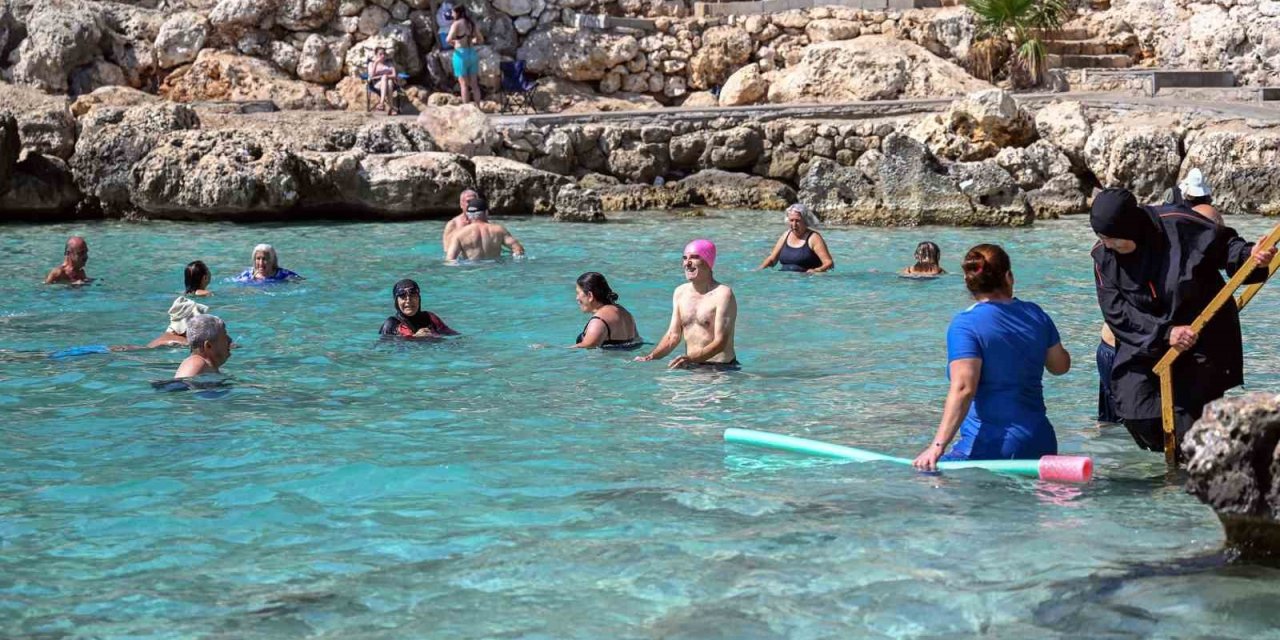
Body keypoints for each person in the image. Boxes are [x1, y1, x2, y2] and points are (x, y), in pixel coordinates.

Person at [1090, 187, 1275, 452]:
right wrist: (1166, 333)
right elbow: (1117, 313)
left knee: (1187, 429)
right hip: (1146, 340)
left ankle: (1202, 463)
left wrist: (1251, 257)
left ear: (1132, 228)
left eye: (1113, 239)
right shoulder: (1103, 257)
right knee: (1135, 411)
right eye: (1102, 238)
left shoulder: (1179, 223)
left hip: (1200, 338)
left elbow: (1226, 248)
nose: (1108, 245)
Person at [912, 244, 1070, 470]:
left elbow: (964, 388)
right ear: (1009, 277)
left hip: (991, 448)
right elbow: (1060, 366)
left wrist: (937, 446)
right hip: (1040, 442)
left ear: (968, 282)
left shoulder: (965, 324)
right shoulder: (1036, 313)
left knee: (924, 476)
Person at [636, 239, 739, 369]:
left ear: (708, 262)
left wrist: (690, 359)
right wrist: (651, 357)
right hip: (692, 367)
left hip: (721, 369)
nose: (687, 263)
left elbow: (720, 342)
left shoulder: (723, 294)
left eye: (694, 257)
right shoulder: (680, 292)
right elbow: (673, 336)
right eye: (685, 258)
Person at [756, 203, 834, 273]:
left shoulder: (814, 238)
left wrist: (817, 270)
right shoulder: (786, 235)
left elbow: (829, 263)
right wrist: (758, 270)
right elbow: (772, 259)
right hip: (784, 279)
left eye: (797, 221)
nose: (794, 224)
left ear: (805, 221)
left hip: (805, 280)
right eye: (791, 220)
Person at [573, 272, 642, 349]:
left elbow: (583, 348)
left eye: (578, 293)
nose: (577, 298)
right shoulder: (625, 313)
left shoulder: (598, 321)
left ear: (590, 295)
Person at [445, 197, 526, 261]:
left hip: (472, 270)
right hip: (495, 269)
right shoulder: (499, 230)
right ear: (486, 212)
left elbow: (450, 260)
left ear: (468, 215)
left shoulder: (459, 234)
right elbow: (519, 249)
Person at [379, 279, 459, 338]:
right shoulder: (391, 325)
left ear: (419, 298)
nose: (408, 300)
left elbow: (453, 335)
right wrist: (416, 338)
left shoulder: (430, 318)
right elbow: (387, 348)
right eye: (402, 296)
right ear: (396, 301)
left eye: (413, 295)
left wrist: (434, 335)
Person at [174, 314, 232, 378]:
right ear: (208, 345)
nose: (230, 340)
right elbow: (180, 383)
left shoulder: (207, 367)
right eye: (224, 337)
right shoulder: (196, 363)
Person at [447, 5, 483, 104]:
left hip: (461, 54)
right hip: (472, 53)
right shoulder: (471, 24)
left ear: (457, 13)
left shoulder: (456, 24)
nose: (452, 14)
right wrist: (472, 41)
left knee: (464, 85)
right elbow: (480, 39)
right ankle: (478, 107)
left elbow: (448, 39)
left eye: (453, 12)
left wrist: (455, 43)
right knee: (474, 84)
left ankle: (466, 108)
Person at [234, 244, 302, 283]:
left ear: (272, 260)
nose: (261, 263)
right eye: (258, 258)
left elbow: (302, 283)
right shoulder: (247, 275)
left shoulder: (285, 275)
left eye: (264, 259)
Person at [367, 47, 400, 115]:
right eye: (380, 54)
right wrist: (376, 63)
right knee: (387, 81)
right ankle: (390, 108)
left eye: (384, 54)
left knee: (389, 82)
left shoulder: (389, 63)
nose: (383, 56)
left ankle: (381, 103)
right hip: (377, 84)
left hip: (390, 83)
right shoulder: (372, 64)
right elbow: (371, 76)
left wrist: (385, 76)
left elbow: (394, 75)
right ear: (376, 55)